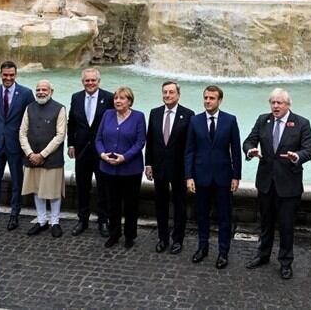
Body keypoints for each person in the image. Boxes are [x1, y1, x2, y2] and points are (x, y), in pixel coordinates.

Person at [242, 88, 311, 280]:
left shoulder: (301, 123)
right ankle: (263, 255)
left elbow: (309, 150)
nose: (275, 106)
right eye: (272, 102)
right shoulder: (262, 120)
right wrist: (251, 151)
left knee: (287, 226)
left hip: (288, 185)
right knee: (265, 222)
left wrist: (297, 156)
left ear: (288, 104)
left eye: (279, 103)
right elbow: (248, 141)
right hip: (266, 183)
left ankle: (285, 262)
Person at [185, 85, 242, 269]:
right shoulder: (195, 121)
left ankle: (223, 252)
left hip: (223, 177)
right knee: (201, 216)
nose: (208, 101)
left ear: (220, 100)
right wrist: (189, 176)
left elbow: (236, 151)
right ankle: (203, 248)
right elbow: (189, 151)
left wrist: (236, 176)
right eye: (206, 98)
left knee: (225, 217)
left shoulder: (230, 120)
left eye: (211, 98)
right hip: (201, 177)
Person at [0, 61, 35, 232]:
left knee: (17, 183)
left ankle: (14, 216)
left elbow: (31, 121)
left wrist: (29, 148)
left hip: (16, 146)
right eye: (5, 75)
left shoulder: (26, 93)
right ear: (1, 74)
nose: (8, 78)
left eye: (11, 75)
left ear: (15, 75)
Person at [145, 81, 195, 254]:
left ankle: (178, 240)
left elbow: (190, 146)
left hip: (179, 168)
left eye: (171, 92)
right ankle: (163, 238)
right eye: (165, 92)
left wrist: (190, 171)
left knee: (180, 205)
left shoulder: (188, 115)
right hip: (159, 167)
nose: (167, 95)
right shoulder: (155, 113)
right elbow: (150, 140)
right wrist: (148, 163)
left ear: (178, 95)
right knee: (160, 204)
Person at [96, 86, 146, 248]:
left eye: (122, 98)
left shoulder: (138, 117)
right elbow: (98, 139)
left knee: (131, 204)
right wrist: (102, 154)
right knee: (112, 204)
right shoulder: (107, 114)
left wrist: (124, 157)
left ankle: (130, 236)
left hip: (131, 169)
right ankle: (114, 234)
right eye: (116, 98)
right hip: (108, 168)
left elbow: (140, 142)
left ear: (130, 101)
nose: (118, 101)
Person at [68, 68, 114, 237]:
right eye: (87, 80)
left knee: (103, 187)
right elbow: (71, 123)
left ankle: (103, 221)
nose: (90, 83)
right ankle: (83, 220)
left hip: (102, 151)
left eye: (93, 80)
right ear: (83, 82)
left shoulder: (109, 97)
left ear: (98, 81)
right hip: (81, 150)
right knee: (82, 186)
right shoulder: (76, 97)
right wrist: (71, 144)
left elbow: (113, 124)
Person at [20, 80, 67, 238]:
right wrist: (30, 154)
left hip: (51, 159)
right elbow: (22, 133)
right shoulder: (29, 108)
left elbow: (60, 136)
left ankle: (55, 222)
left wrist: (42, 155)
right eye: (38, 89)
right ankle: (41, 221)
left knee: (53, 192)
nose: (40, 92)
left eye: (44, 89)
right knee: (36, 190)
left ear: (51, 91)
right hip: (31, 158)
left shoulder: (60, 108)